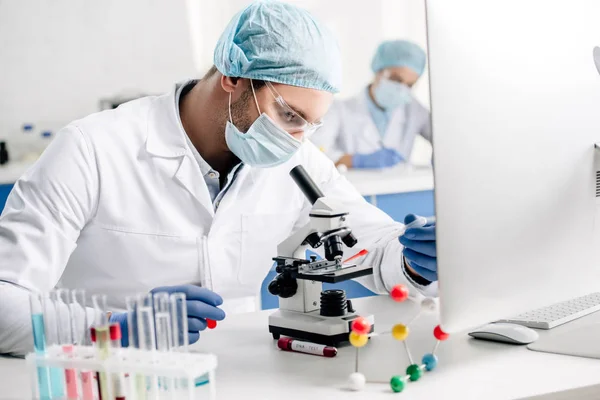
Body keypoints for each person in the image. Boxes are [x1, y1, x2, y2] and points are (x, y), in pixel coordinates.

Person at [0, 1, 438, 355]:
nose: (295, 139)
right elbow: (6, 306)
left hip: (235, 378)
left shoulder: (296, 159)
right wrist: (111, 328)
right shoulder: (92, 148)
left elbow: (372, 245)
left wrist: (411, 259)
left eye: (310, 124)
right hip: (112, 374)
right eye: (288, 115)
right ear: (231, 75)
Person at [312, 40, 431, 169]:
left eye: (410, 85)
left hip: (402, 186)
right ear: (378, 71)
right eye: (396, 79)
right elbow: (314, 154)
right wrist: (356, 161)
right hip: (354, 186)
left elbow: (444, 138)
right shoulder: (339, 110)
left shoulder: (415, 111)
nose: (402, 89)